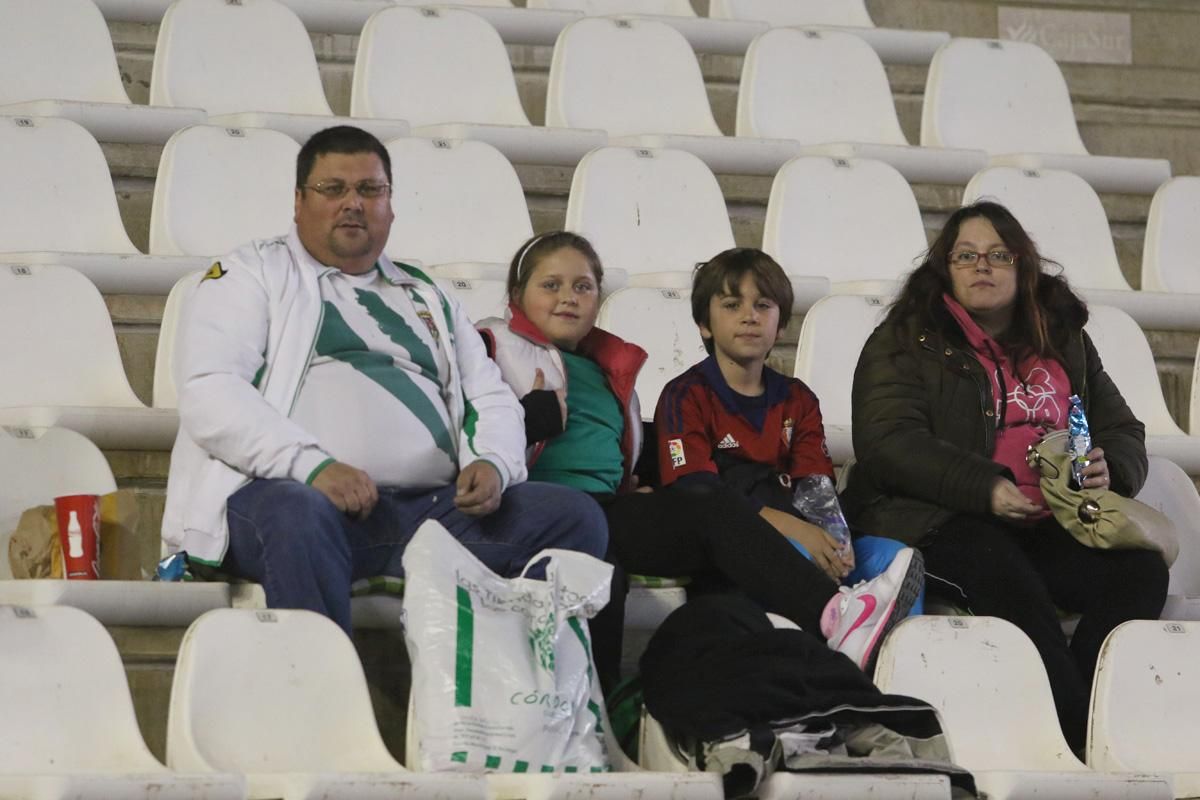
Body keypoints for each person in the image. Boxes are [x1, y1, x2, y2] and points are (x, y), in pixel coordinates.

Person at [161, 126, 608, 634]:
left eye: (370, 190)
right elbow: (211, 392)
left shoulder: (427, 295)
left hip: (428, 516)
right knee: (296, 513)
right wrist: (314, 467)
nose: (353, 203)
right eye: (333, 189)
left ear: (390, 205)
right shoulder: (249, 274)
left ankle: (521, 696)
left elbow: (489, 394)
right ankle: (323, 700)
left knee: (573, 516)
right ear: (298, 201)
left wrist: (494, 463)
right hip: (291, 503)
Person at [476, 231, 925, 681]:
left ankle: (863, 658)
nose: (568, 298)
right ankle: (833, 620)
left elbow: (609, 455)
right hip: (533, 508)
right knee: (624, 553)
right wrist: (525, 420)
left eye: (583, 286)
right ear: (517, 295)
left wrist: (633, 487)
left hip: (604, 510)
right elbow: (458, 437)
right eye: (550, 285)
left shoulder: (609, 369)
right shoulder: (489, 347)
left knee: (701, 510)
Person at [841, 201, 1168, 750]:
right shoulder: (905, 341)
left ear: (1023, 267)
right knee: (1011, 579)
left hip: (1054, 518)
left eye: (998, 254)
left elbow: (1123, 427)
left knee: (1138, 572)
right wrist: (984, 486)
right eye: (964, 256)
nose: (981, 267)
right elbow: (888, 443)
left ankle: (1088, 715)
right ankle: (1076, 743)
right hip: (942, 517)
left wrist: (1110, 465)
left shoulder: (1062, 339)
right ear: (945, 269)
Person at [656, 248, 922, 613]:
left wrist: (836, 538)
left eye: (763, 305)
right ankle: (837, 638)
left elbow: (815, 483)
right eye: (732, 305)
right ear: (704, 323)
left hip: (807, 537)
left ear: (780, 324)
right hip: (737, 550)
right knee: (794, 556)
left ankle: (888, 665)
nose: (750, 316)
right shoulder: (685, 395)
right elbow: (696, 491)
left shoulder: (798, 398)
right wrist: (796, 531)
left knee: (897, 559)